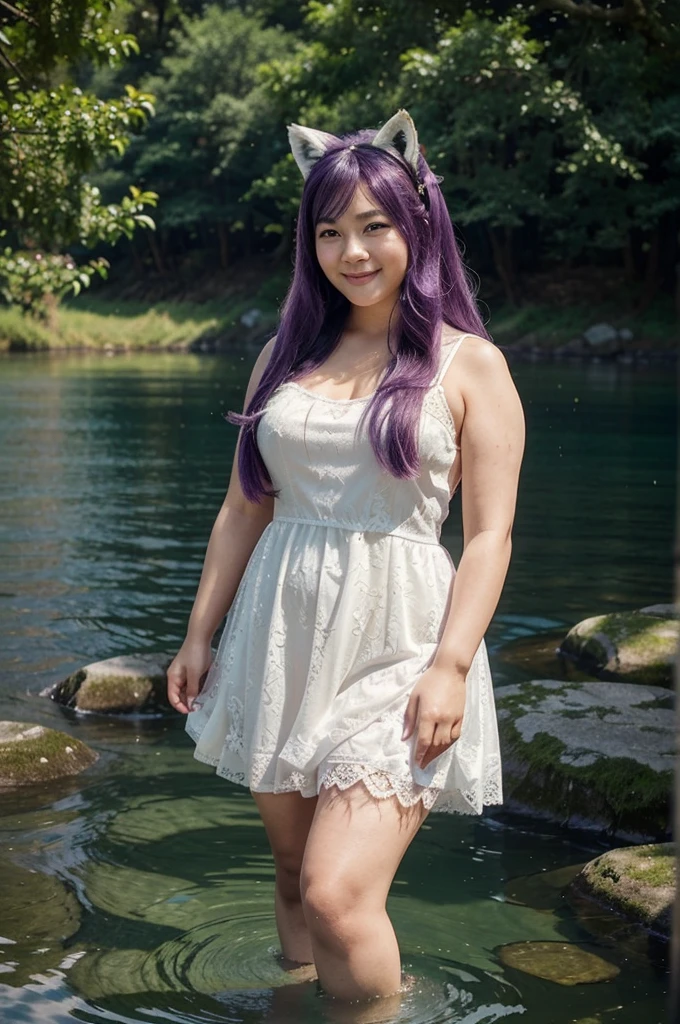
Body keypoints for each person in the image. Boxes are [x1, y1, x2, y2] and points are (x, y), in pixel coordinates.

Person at [166, 109, 525, 1007]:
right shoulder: (283, 359)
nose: (351, 251)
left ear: (417, 224)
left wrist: (449, 666)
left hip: (404, 646)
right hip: (281, 637)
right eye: (329, 231)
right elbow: (245, 504)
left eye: (373, 226)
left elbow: (489, 535)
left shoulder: (469, 365)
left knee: (338, 890)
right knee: (292, 874)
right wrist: (198, 633)